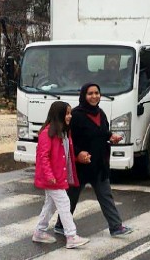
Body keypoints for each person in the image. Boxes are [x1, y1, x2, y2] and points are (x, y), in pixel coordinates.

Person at [54, 83, 133, 237]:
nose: (94, 96)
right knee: (71, 197)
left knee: (106, 196)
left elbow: (103, 132)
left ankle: (116, 227)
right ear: (84, 95)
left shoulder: (100, 113)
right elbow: (67, 139)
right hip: (80, 166)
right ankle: (60, 225)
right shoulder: (76, 115)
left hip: (99, 164)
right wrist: (77, 154)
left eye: (97, 93)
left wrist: (111, 137)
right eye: (90, 93)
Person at [32, 101, 90, 249]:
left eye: (70, 113)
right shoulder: (47, 133)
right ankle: (71, 235)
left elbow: (66, 155)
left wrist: (77, 159)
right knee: (64, 202)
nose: (70, 116)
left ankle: (39, 231)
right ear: (59, 115)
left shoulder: (64, 133)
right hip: (52, 178)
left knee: (50, 205)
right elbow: (43, 156)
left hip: (58, 176)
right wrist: (49, 175)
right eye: (67, 113)